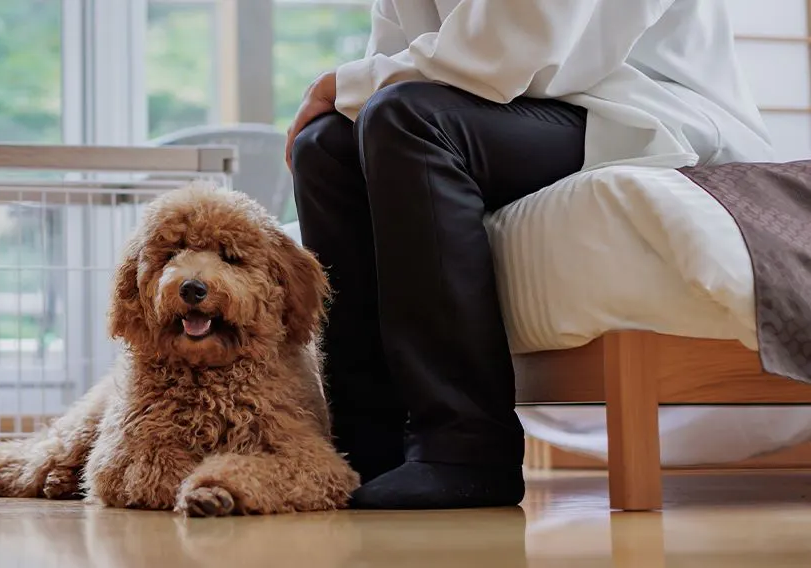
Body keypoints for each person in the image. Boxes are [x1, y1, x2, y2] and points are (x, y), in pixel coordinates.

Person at [287, 0, 772, 509]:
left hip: (649, 105)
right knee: (324, 146)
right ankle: (363, 453)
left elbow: (512, 49)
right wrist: (349, 92)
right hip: (517, 103)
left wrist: (337, 85)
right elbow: (392, 68)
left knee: (404, 118)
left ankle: (467, 449)